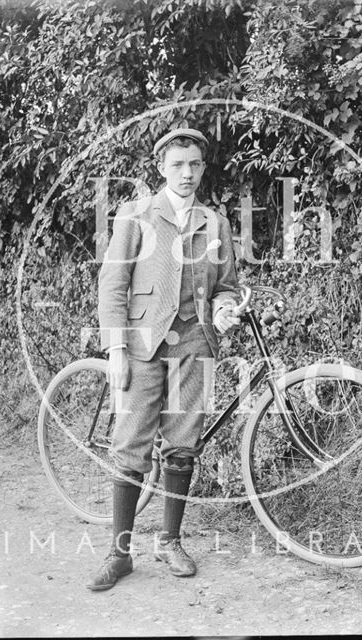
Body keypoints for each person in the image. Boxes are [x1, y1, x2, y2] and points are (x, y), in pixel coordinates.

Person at [87, 128, 240, 591]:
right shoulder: (136, 216)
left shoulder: (216, 223)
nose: (187, 173)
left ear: (202, 167)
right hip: (142, 345)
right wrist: (114, 348)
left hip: (194, 344)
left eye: (194, 164)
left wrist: (224, 309)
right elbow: (112, 285)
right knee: (131, 447)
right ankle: (119, 553)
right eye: (178, 165)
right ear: (161, 168)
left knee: (182, 445)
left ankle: (170, 540)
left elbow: (226, 285)